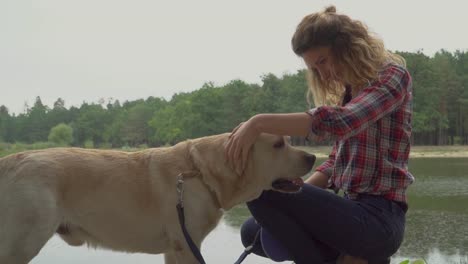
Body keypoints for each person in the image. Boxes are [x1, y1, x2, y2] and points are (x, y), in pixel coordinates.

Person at [225, 5, 414, 264]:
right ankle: (354, 259)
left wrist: (258, 124)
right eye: (315, 68)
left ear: (347, 46)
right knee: (252, 230)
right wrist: (295, 190)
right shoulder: (350, 94)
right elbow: (336, 163)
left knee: (260, 189)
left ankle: (358, 256)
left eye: (323, 61)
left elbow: (343, 122)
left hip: (379, 219)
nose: (323, 73)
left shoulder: (392, 76)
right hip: (351, 211)